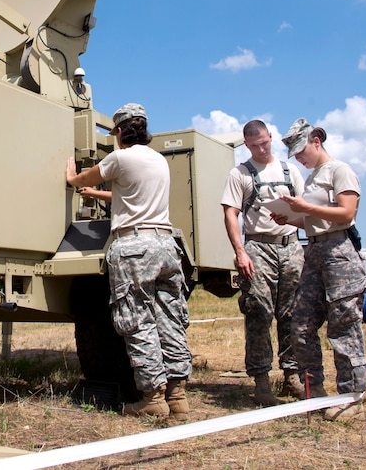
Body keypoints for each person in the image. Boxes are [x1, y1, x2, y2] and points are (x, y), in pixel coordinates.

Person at [66, 103, 192, 419]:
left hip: (135, 246)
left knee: (138, 321)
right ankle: (178, 397)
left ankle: (151, 399)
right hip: (165, 244)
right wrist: (95, 195)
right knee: (170, 318)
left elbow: (84, 178)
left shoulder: (119, 158)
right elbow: (129, 195)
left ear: (120, 131)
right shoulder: (159, 161)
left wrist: (72, 178)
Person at [277, 118, 366, 422]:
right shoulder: (315, 177)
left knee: (344, 328)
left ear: (317, 141)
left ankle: (351, 398)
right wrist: (289, 218)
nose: (299, 159)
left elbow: (346, 212)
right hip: (314, 252)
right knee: (300, 326)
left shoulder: (339, 170)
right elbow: (316, 220)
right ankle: (314, 392)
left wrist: (306, 209)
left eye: (302, 151)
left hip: (339, 254)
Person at [220, 120, 306, 406]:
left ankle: (292, 375)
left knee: (292, 313)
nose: (261, 148)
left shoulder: (289, 170)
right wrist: (240, 252)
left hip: (291, 246)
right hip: (258, 247)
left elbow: (304, 207)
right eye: (255, 145)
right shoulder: (240, 174)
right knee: (259, 312)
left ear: (271, 138)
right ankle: (261, 380)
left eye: (265, 143)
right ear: (246, 145)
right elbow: (231, 214)